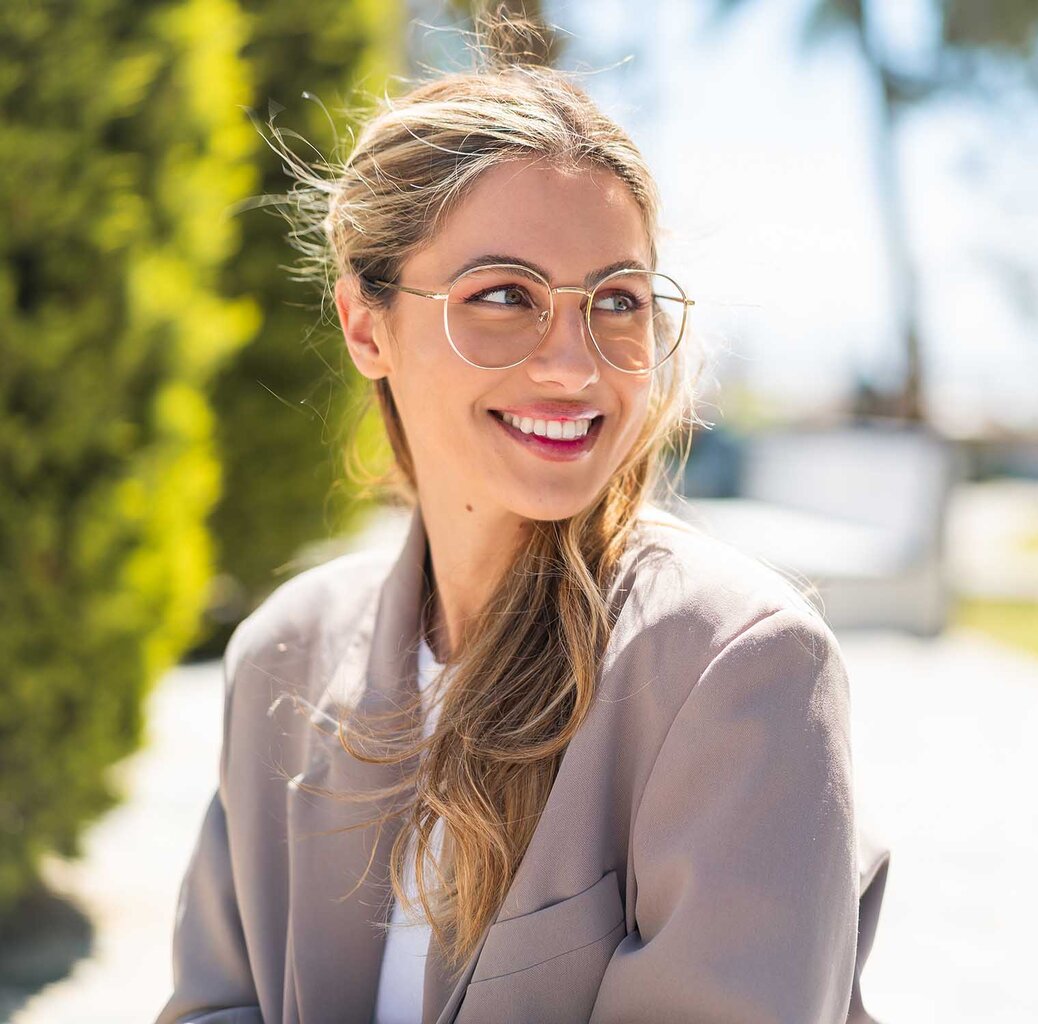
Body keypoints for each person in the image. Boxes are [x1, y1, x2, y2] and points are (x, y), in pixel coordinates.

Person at [156, 20, 890, 1024]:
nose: (573, 365)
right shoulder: (281, 655)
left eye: (617, 302)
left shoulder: (740, 669)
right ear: (366, 323)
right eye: (504, 295)